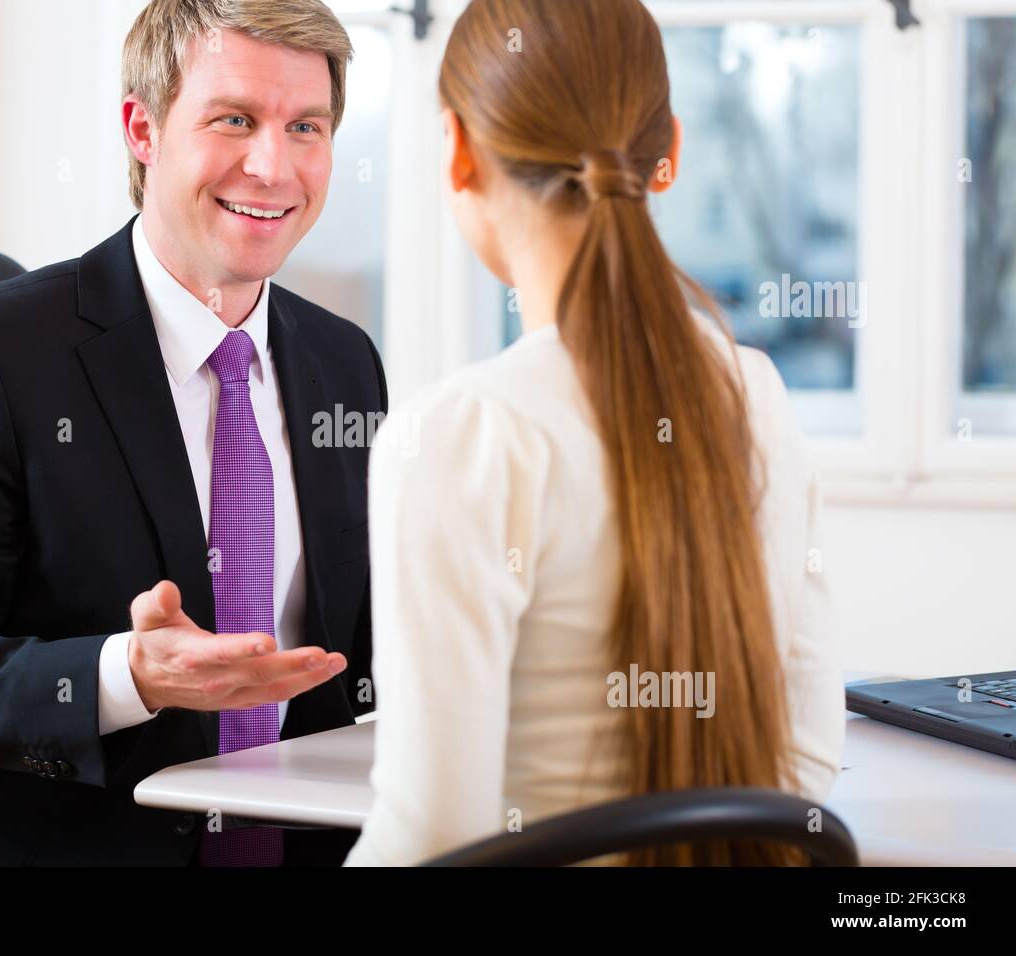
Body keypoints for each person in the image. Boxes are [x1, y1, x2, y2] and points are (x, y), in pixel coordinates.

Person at [0, 0, 385, 867]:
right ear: (143, 128)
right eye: (233, 119)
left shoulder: (344, 365)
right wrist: (126, 676)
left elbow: (358, 660)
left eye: (305, 126)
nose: (273, 165)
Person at [345, 0, 844, 866]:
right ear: (669, 155)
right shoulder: (757, 396)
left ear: (459, 152)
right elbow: (801, 760)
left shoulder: (463, 435)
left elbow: (427, 839)